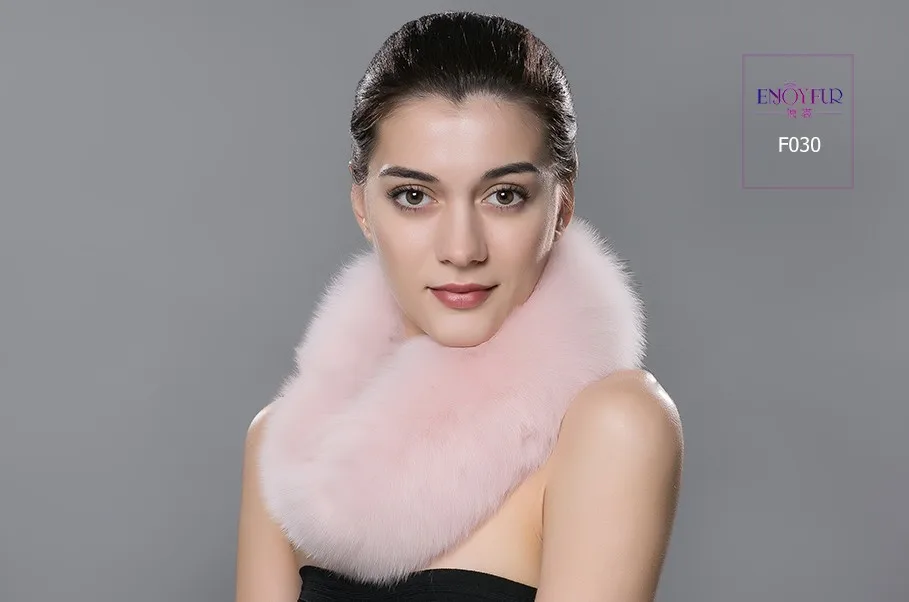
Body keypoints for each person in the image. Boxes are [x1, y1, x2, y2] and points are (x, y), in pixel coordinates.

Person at [235, 11, 682, 602]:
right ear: (363, 205)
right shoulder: (287, 449)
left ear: (563, 205)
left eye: (504, 195)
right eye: (413, 196)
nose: (462, 249)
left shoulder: (611, 425)